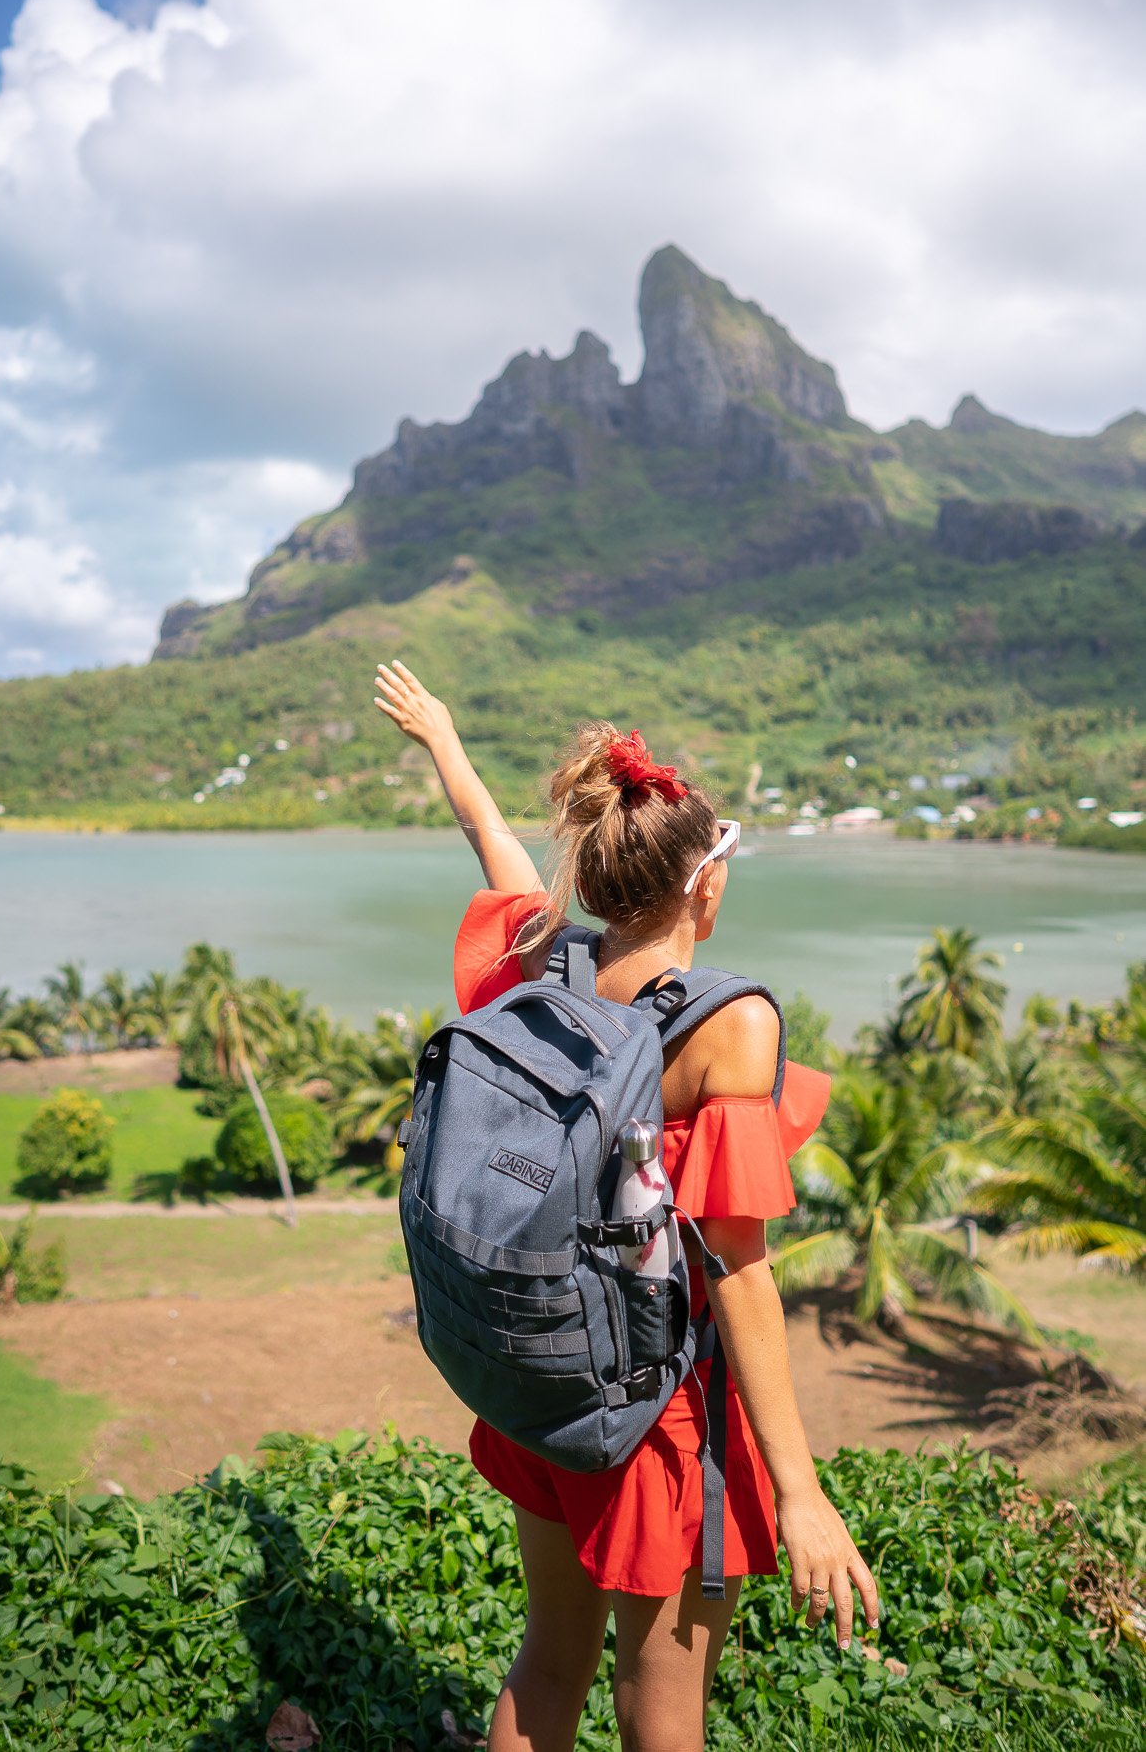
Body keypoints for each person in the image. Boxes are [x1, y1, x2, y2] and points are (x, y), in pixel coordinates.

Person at [374, 660, 879, 1752]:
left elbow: (495, 849)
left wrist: (446, 743)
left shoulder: (540, 964)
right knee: (664, 1714)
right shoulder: (724, 1026)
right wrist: (800, 1494)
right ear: (706, 884)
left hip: (547, 1380)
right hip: (662, 1417)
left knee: (548, 1660)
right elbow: (739, 1265)